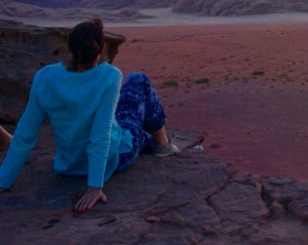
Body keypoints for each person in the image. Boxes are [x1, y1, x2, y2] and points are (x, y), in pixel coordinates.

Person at [0, 18, 179, 213]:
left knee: (122, 119)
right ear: (100, 51)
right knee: (138, 80)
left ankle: (153, 143)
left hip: (69, 165)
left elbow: (25, 134)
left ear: (69, 48)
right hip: (116, 157)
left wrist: (3, 180)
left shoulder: (44, 77)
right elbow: (101, 135)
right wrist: (95, 186)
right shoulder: (110, 76)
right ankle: (163, 146)